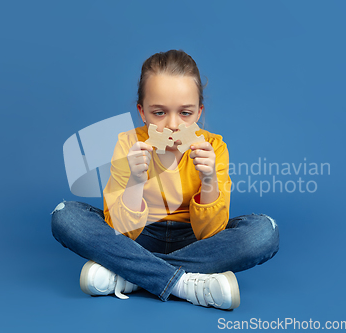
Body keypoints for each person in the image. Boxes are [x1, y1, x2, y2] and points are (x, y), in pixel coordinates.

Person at [51, 49, 279, 310]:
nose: (172, 124)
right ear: (142, 112)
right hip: (138, 238)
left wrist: (208, 181)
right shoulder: (128, 144)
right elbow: (120, 229)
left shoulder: (214, 147)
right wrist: (136, 180)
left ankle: (129, 274)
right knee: (64, 215)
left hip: (194, 240)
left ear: (199, 113)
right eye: (159, 113)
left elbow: (211, 234)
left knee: (264, 232)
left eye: (185, 113)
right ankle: (186, 283)